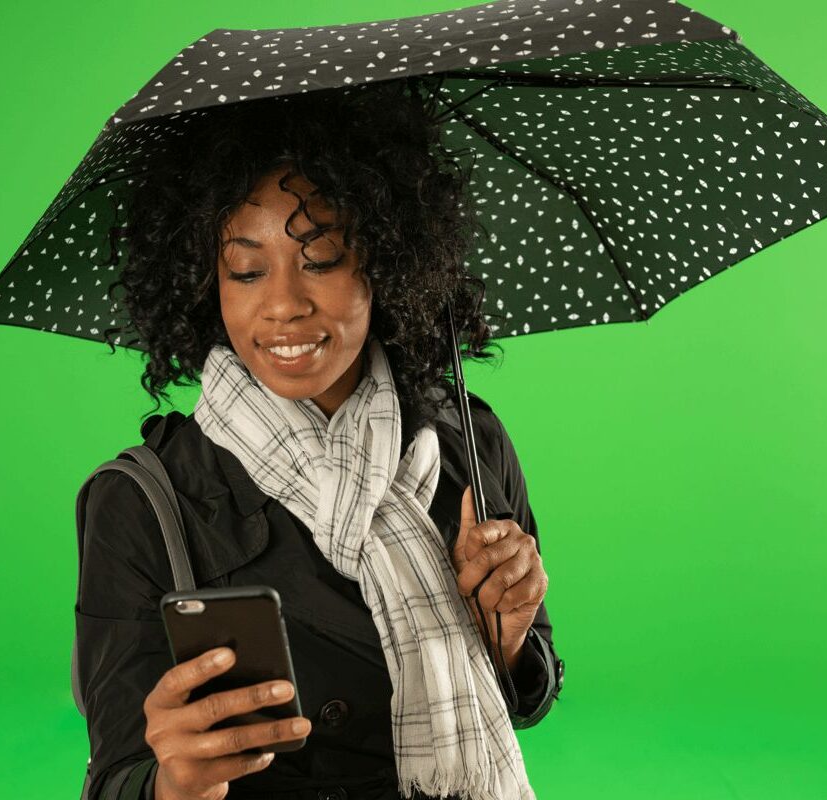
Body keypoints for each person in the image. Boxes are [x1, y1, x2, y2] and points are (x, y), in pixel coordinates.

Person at [75, 80, 564, 800]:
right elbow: (117, 778)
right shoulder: (145, 502)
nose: (282, 305)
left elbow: (524, 700)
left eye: (323, 258)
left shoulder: (469, 441)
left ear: (389, 261)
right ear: (207, 281)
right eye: (245, 270)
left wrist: (510, 636)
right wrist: (176, 783)